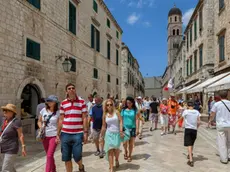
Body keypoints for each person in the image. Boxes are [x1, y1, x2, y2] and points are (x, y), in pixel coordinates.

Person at [57, 83, 88, 172]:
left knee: (77, 156)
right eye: (69, 88)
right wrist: (58, 133)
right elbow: (61, 119)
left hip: (78, 133)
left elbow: (84, 117)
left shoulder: (81, 102)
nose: (71, 89)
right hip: (65, 133)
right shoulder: (63, 103)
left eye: (73, 88)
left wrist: (85, 133)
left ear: (75, 90)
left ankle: (81, 166)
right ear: (66, 91)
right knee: (66, 158)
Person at [0, 104, 27, 172]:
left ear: (12, 112)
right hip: (2, 148)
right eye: (4, 110)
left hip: (11, 148)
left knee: (5, 169)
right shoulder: (4, 121)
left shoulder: (16, 122)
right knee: (10, 168)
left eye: (6, 111)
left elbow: (20, 135)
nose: (4, 112)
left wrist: (23, 146)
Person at [37, 95, 60, 172]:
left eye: (51, 101)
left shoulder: (58, 113)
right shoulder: (43, 110)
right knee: (49, 155)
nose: (49, 102)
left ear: (55, 102)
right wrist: (41, 128)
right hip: (44, 136)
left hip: (53, 135)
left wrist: (58, 136)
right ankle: (53, 170)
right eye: (48, 100)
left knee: (49, 155)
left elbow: (60, 125)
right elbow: (39, 121)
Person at [175, 101, 201, 167]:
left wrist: (175, 123)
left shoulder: (186, 111)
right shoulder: (197, 112)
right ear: (193, 106)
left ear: (188, 106)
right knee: (191, 143)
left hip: (188, 129)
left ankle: (191, 160)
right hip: (194, 129)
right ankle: (190, 154)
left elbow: (181, 118)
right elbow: (199, 122)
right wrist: (196, 127)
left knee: (189, 144)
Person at [101, 99, 123, 172]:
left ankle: (116, 159)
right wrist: (101, 136)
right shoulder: (105, 115)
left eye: (110, 104)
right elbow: (104, 126)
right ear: (105, 106)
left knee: (116, 150)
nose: (109, 106)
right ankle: (111, 167)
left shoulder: (117, 112)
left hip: (117, 134)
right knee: (110, 151)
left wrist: (121, 131)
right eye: (107, 105)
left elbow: (120, 121)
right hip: (109, 134)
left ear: (113, 105)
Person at [209, 90, 230, 164]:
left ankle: (224, 158)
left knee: (222, 142)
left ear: (220, 97)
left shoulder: (217, 104)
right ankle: (229, 155)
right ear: (227, 95)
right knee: (229, 141)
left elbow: (212, 114)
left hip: (221, 125)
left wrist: (210, 121)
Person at [121, 97, 139, 162]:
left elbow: (137, 119)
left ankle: (129, 155)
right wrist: (121, 128)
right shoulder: (123, 110)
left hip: (132, 128)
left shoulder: (135, 110)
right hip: (125, 128)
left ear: (132, 103)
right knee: (124, 143)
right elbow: (121, 120)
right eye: (127, 103)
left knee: (131, 143)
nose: (128, 104)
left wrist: (137, 129)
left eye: (129, 103)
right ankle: (125, 151)